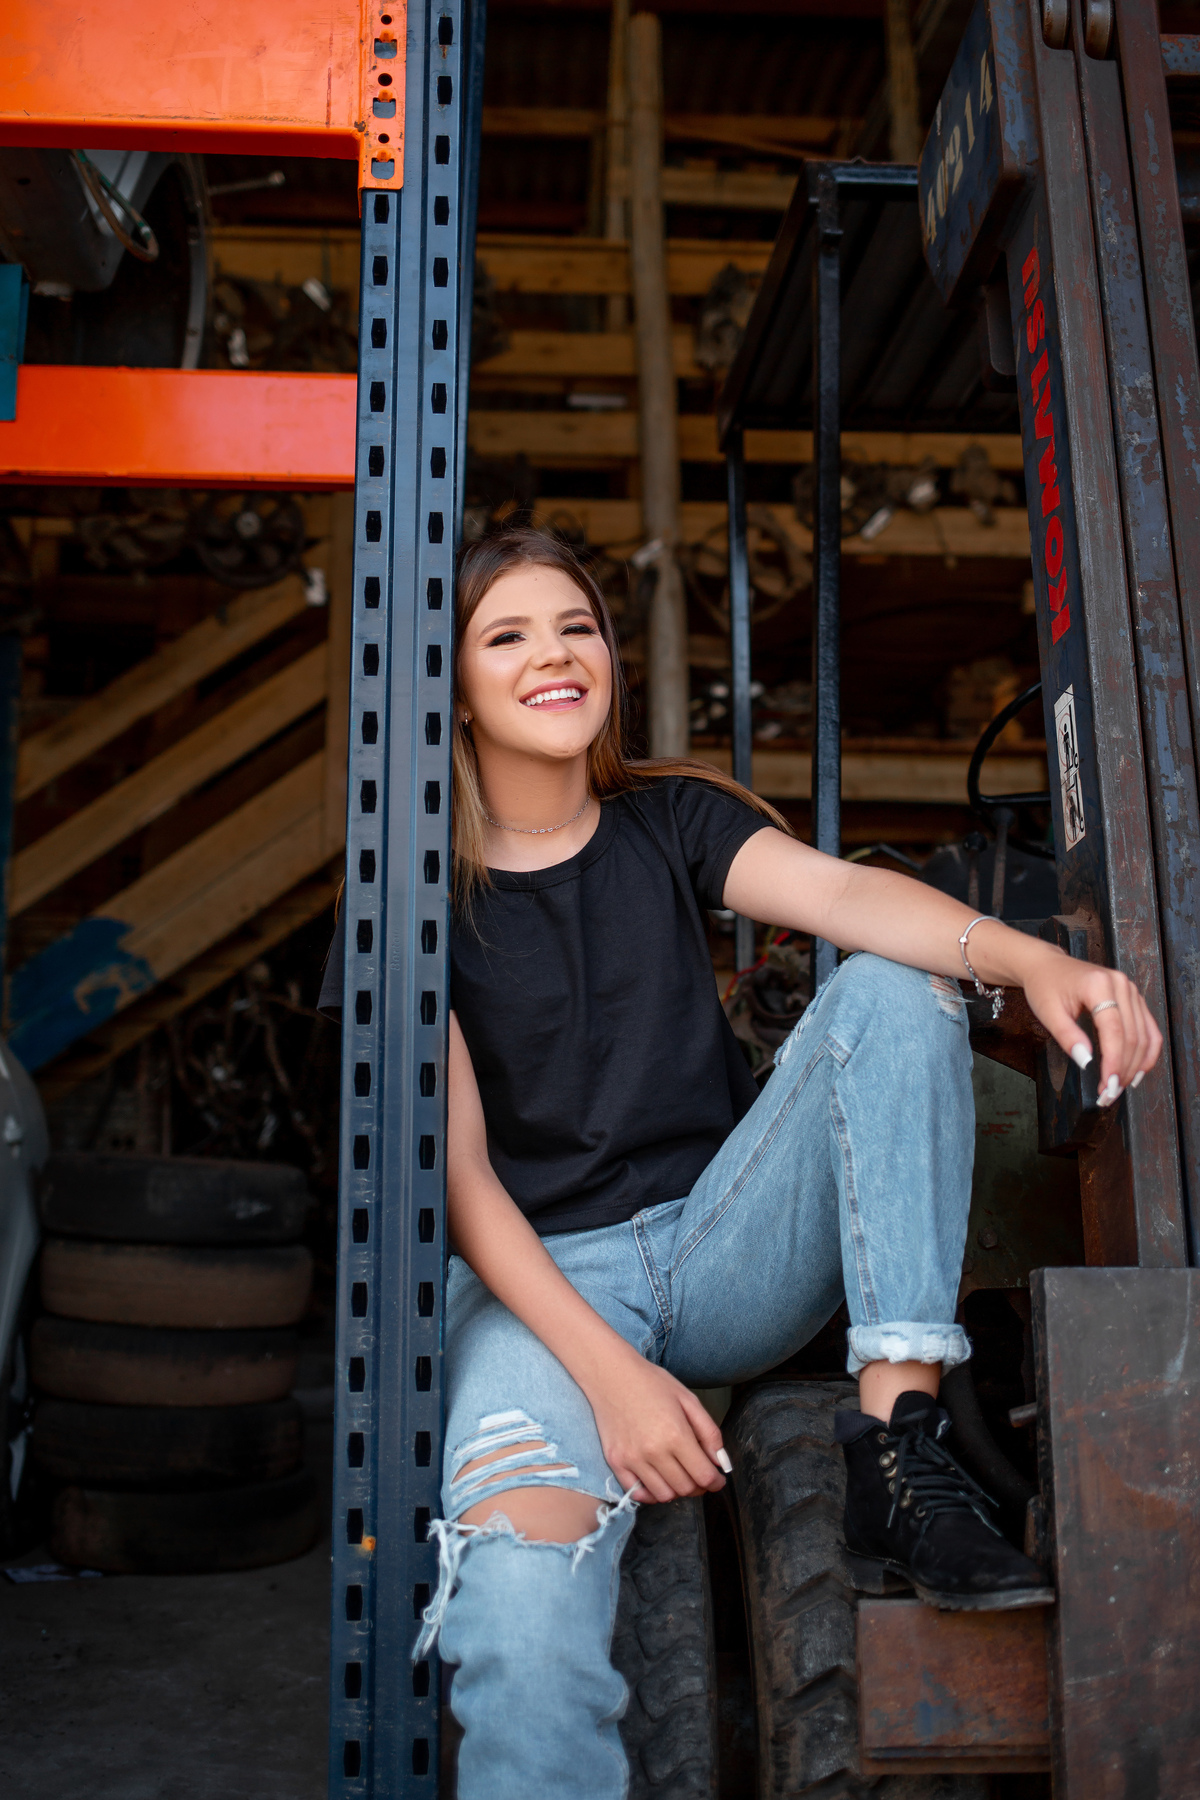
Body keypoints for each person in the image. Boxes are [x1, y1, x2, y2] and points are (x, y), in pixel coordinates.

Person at [322, 526, 1160, 1800]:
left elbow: (850, 898)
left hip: (723, 1245)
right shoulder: (405, 895)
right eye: (508, 636)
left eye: (577, 628)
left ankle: (899, 1442)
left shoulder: (672, 819)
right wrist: (612, 1382)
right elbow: (463, 1185)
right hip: (543, 1300)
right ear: (450, 685)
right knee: (521, 1625)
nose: (554, 655)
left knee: (892, 987)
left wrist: (1035, 959)